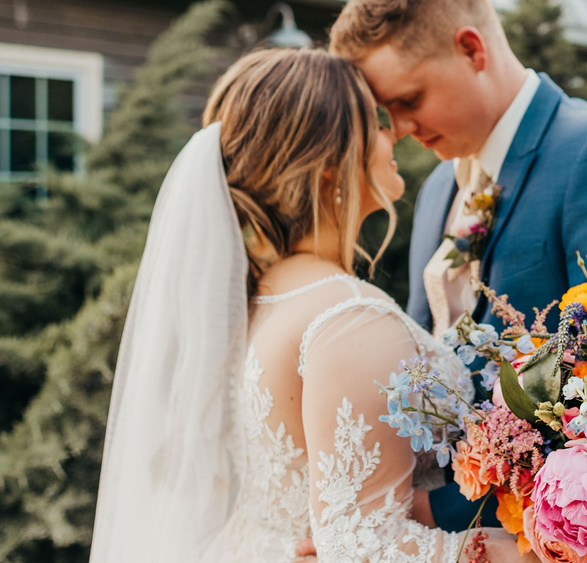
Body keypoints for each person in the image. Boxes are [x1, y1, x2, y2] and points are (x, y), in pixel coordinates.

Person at [88, 48, 531, 563]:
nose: (396, 134)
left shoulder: (251, 302)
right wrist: (539, 548)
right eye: (376, 124)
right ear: (328, 165)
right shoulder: (349, 319)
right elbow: (366, 547)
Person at [329, 0, 587, 532]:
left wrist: (439, 512)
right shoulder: (438, 188)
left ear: (471, 49)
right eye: (388, 110)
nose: (402, 128)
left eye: (409, 100)